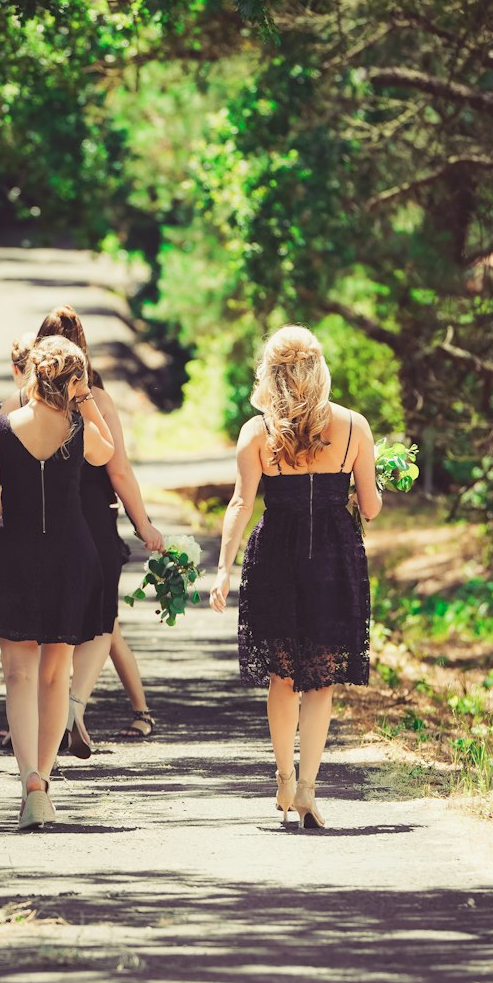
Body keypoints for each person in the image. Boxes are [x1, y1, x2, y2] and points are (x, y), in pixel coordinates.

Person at [0, 336, 115, 828]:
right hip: (70, 556)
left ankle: (30, 781)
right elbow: (107, 454)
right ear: (74, 380)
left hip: (15, 556)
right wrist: (85, 400)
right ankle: (46, 782)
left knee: (17, 676)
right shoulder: (80, 425)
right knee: (55, 675)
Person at [209, 326, 380, 829]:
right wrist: (356, 491)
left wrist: (222, 571)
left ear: (271, 373)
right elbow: (369, 507)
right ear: (319, 370)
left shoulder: (256, 432)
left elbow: (241, 504)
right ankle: (308, 788)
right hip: (333, 558)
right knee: (320, 680)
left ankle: (284, 777)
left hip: (276, 557)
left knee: (282, 676)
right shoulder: (354, 427)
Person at [32, 308, 165, 754]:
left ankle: (39, 713)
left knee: (47, 623)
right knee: (101, 620)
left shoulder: (20, 406)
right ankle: (72, 704)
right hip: (94, 520)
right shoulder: (98, 403)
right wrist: (143, 523)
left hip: (42, 522)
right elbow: (120, 471)